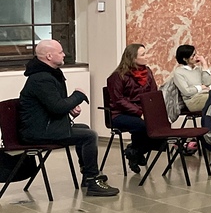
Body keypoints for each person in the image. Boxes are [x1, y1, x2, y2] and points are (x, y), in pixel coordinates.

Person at [18, 40, 118, 196]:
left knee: (84, 129)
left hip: (45, 126)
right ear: (49, 56)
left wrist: (69, 108)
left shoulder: (49, 75)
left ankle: (87, 175)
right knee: (89, 136)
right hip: (38, 132)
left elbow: (54, 104)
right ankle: (93, 179)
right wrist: (78, 96)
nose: (64, 54)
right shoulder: (41, 78)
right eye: (60, 52)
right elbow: (57, 107)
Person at [106, 44, 160, 175]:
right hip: (120, 114)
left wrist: (151, 111)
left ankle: (134, 151)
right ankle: (136, 152)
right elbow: (118, 100)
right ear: (133, 58)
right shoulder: (118, 76)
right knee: (143, 126)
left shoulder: (148, 72)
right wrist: (139, 112)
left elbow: (153, 93)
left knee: (161, 128)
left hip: (142, 112)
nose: (147, 57)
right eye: (143, 54)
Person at [170, 44, 211, 113]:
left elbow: (207, 83)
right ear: (185, 59)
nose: (197, 57)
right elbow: (187, 91)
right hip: (193, 100)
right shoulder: (178, 72)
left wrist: (204, 64)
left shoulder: (198, 69)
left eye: (196, 54)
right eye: (193, 55)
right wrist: (200, 87)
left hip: (205, 94)